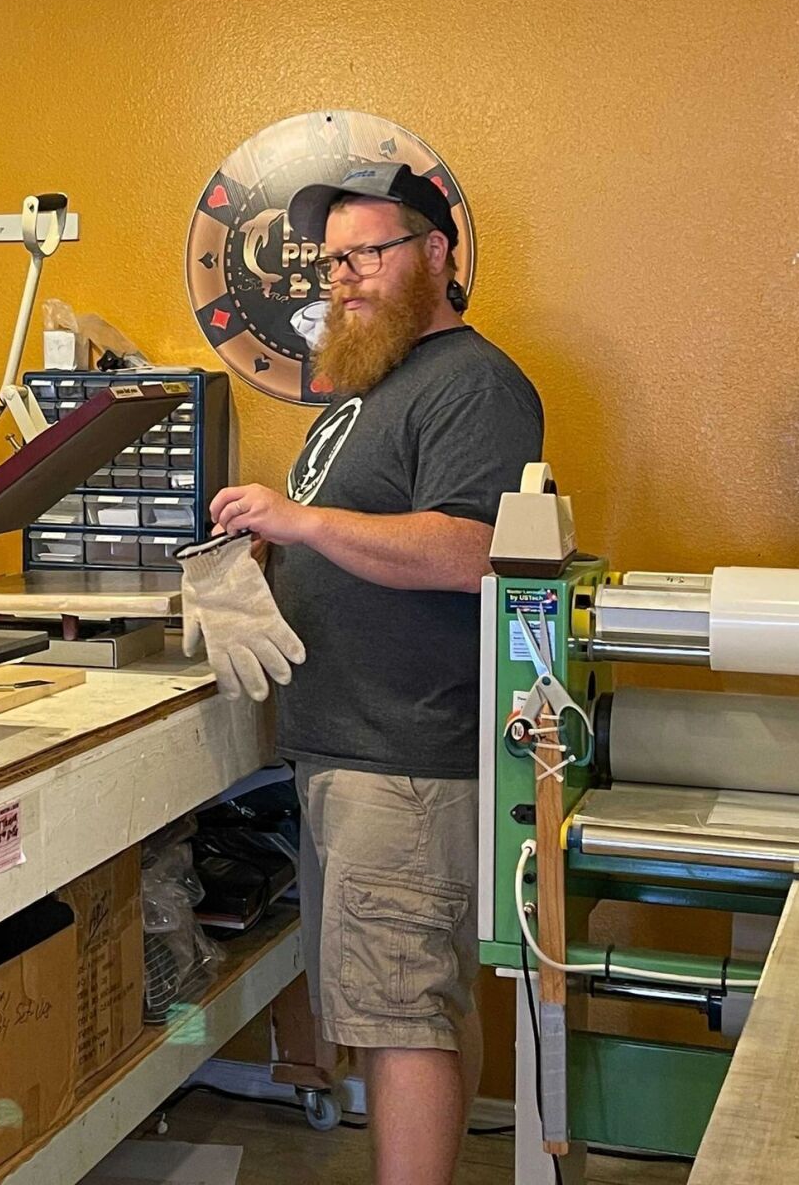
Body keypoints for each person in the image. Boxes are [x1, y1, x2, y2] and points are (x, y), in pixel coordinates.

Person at [208, 164, 543, 1185]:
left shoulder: (474, 384)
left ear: (437, 255)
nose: (345, 278)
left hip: (405, 756)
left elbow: (472, 551)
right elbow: (362, 538)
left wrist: (299, 519)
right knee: (421, 1004)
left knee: (399, 1017)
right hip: (353, 744)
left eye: (369, 255)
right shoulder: (372, 388)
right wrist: (261, 559)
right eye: (335, 260)